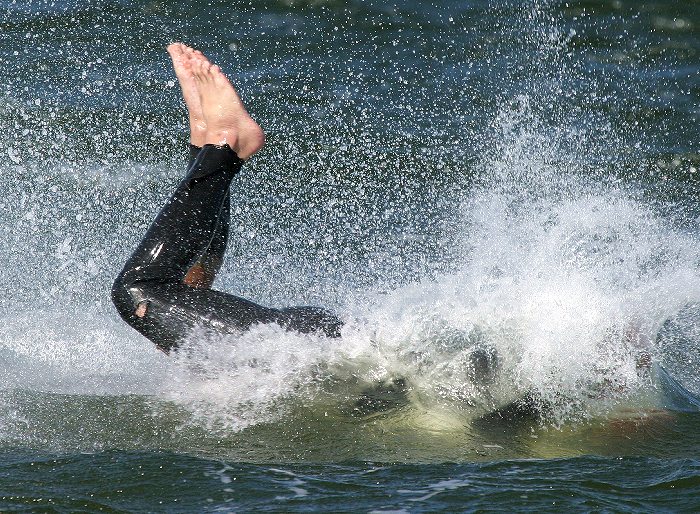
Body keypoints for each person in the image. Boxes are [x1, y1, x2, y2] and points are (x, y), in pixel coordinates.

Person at [111, 43, 343, 353]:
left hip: (303, 343)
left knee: (138, 291)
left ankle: (223, 144)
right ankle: (214, 147)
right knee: (162, 300)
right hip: (307, 342)